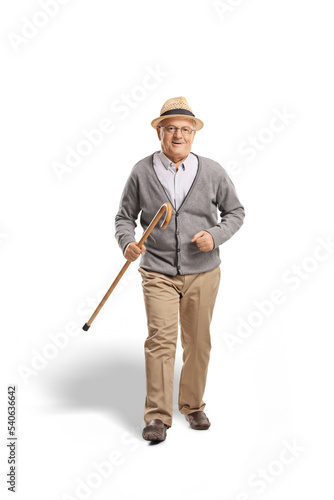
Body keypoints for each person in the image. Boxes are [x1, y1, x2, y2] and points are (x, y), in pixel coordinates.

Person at [115, 96, 245, 442]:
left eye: (185, 130)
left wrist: (215, 236)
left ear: (193, 135)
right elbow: (124, 218)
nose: (178, 135)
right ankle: (157, 417)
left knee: (199, 342)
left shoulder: (213, 171)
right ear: (159, 132)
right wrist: (127, 241)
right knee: (160, 341)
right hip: (157, 271)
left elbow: (236, 213)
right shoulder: (142, 171)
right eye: (170, 128)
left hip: (203, 271)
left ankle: (192, 405)